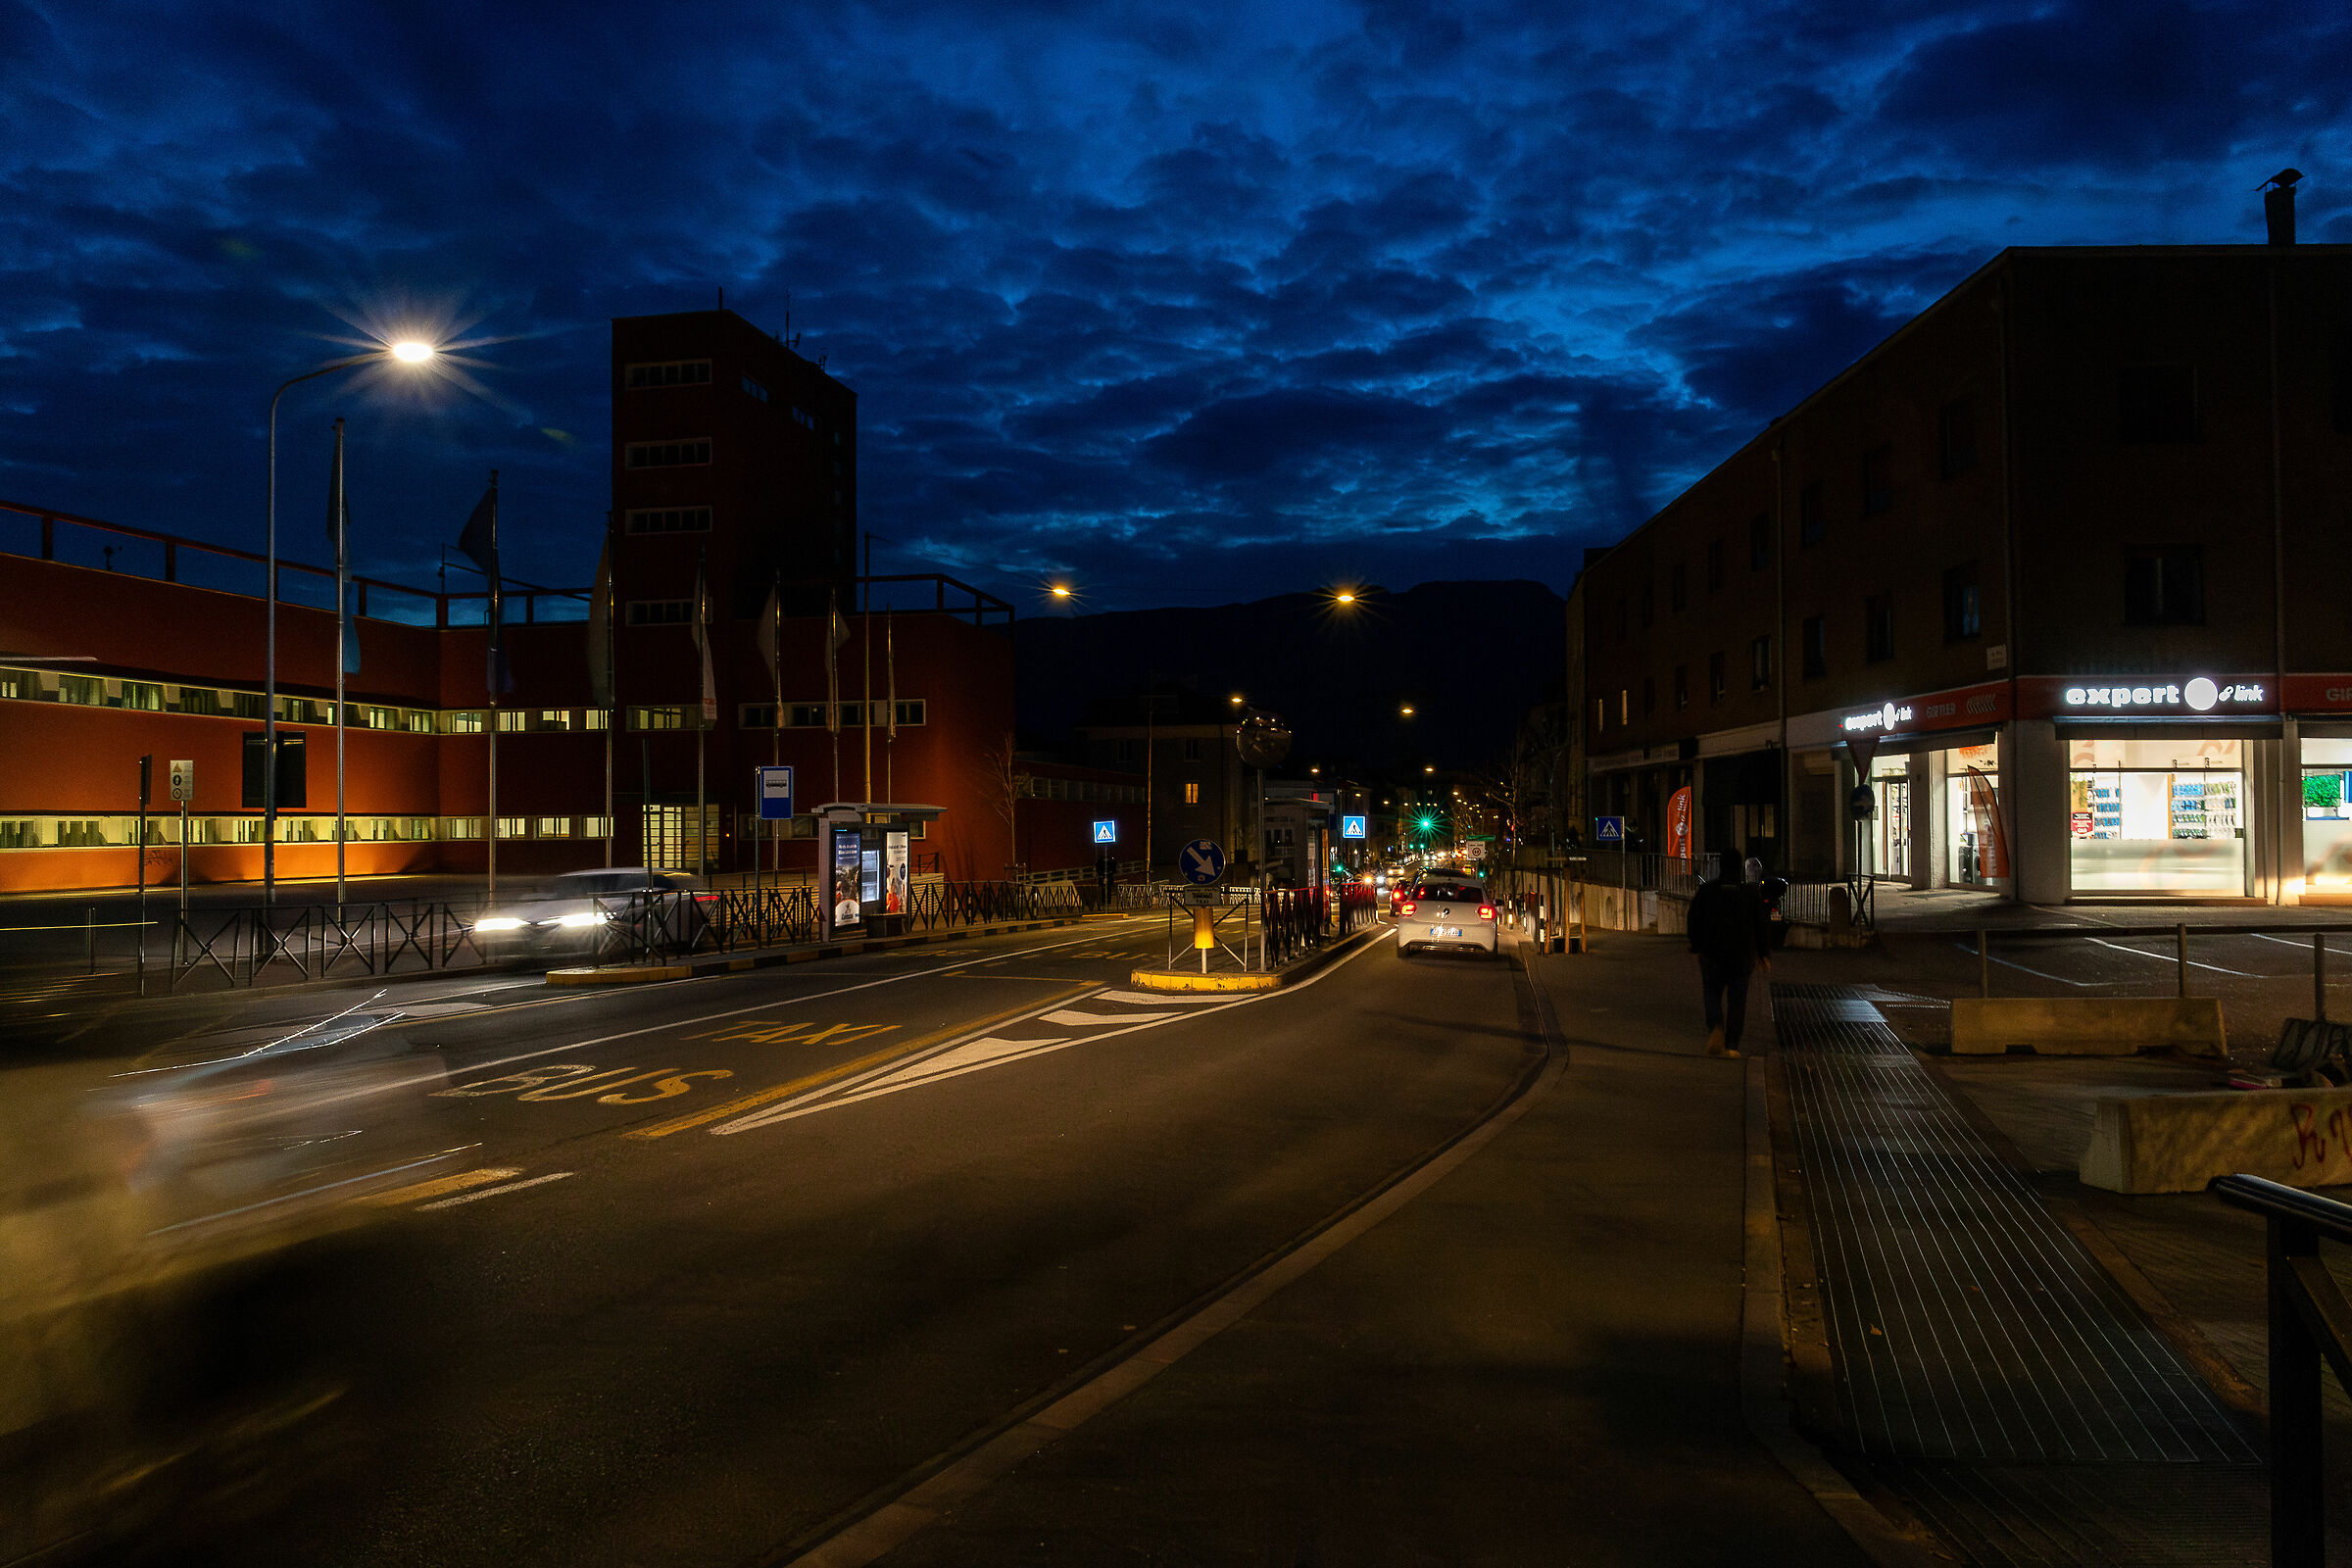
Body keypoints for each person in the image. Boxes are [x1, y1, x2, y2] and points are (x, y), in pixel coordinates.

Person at [1687, 858, 1771, 1058]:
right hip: (1742, 956)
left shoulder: (1707, 891)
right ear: (1740, 870)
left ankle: (1716, 1026)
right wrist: (1763, 953)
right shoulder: (1749, 893)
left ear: (1721, 869)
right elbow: (1761, 924)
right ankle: (1732, 1045)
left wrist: (1696, 946)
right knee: (1737, 1001)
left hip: (1712, 953)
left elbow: (1694, 919)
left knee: (1711, 993)